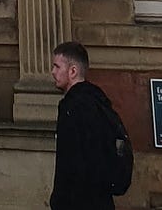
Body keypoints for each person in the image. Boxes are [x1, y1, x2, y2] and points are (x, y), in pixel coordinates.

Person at [50, 39, 127, 209]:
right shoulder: (99, 102)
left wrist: (60, 201)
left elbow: (71, 162)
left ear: (73, 71)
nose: (53, 72)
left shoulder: (73, 107)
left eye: (57, 66)